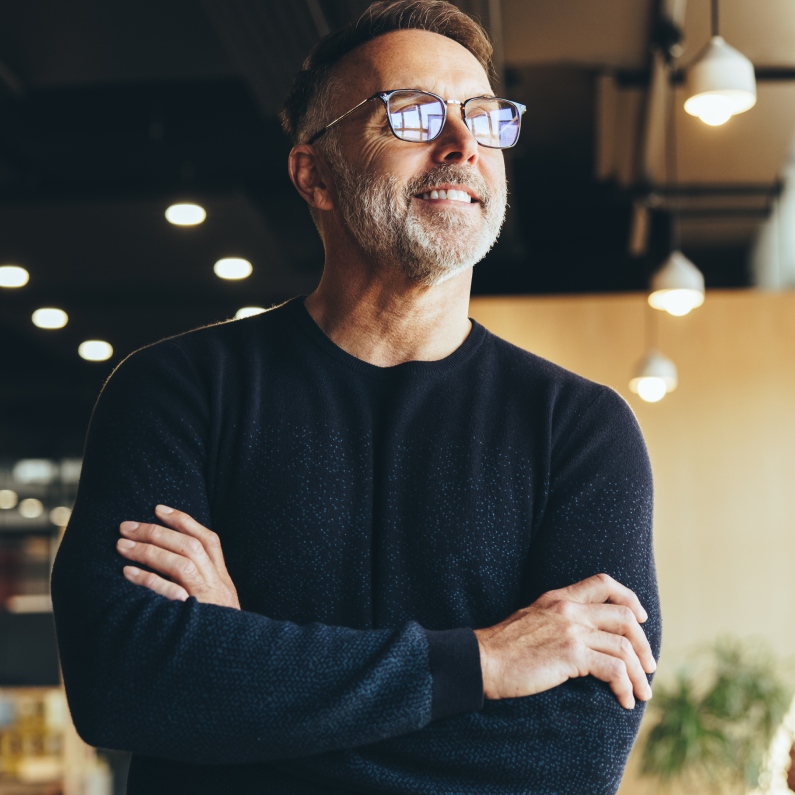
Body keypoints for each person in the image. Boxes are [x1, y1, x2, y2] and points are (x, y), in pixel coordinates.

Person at [51, 2, 661, 793]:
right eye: (412, 115)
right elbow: (122, 686)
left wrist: (239, 663)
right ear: (314, 174)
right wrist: (486, 659)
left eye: (484, 116)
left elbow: (570, 761)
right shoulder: (174, 392)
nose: (462, 144)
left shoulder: (579, 430)